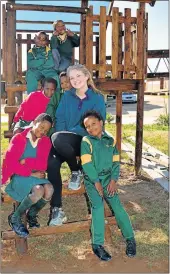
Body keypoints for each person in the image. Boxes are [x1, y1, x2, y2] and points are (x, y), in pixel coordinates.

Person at [47, 64, 106, 226]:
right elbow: (60, 118)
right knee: (51, 163)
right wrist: (61, 135)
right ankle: (57, 209)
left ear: (87, 76)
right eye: (72, 78)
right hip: (63, 140)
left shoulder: (97, 98)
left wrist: (67, 134)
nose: (75, 80)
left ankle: (76, 169)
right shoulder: (67, 96)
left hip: (86, 140)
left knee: (59, 138)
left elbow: (95, 126)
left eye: (78, 76)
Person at [80, 110, 136, 261]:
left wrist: (113, 180)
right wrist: (96, 182)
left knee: (117, 206)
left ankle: (130, 238)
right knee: (97, 207)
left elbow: (116, 161)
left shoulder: (110, 140)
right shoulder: (86, 141)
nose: (91, 128)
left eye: (93, 124)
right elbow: (87, 164)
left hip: (108, 180)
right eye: (87, 126)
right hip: (93, 181)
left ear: (101, 123)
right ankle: (97, 244)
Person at [1, 113, 54, 238]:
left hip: (36, 175)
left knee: (50, 189)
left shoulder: (46, 141)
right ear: (35, 121)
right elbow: (11, 164)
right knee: (38, 190)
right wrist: (31, 172)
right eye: (41, 127)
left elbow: (43, 165)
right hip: (19, 176)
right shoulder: (19, 138)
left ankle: (31, 214)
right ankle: (15, 217)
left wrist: (26, 161)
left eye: (46, 130)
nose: (43, 132)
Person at [46, 71, 72, 136]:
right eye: (62, 83)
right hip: (57, 121)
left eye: (66, 82)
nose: (64, 85)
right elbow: (50, 106)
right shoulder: (57, 94)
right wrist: (52, 118)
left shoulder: (76, 95)